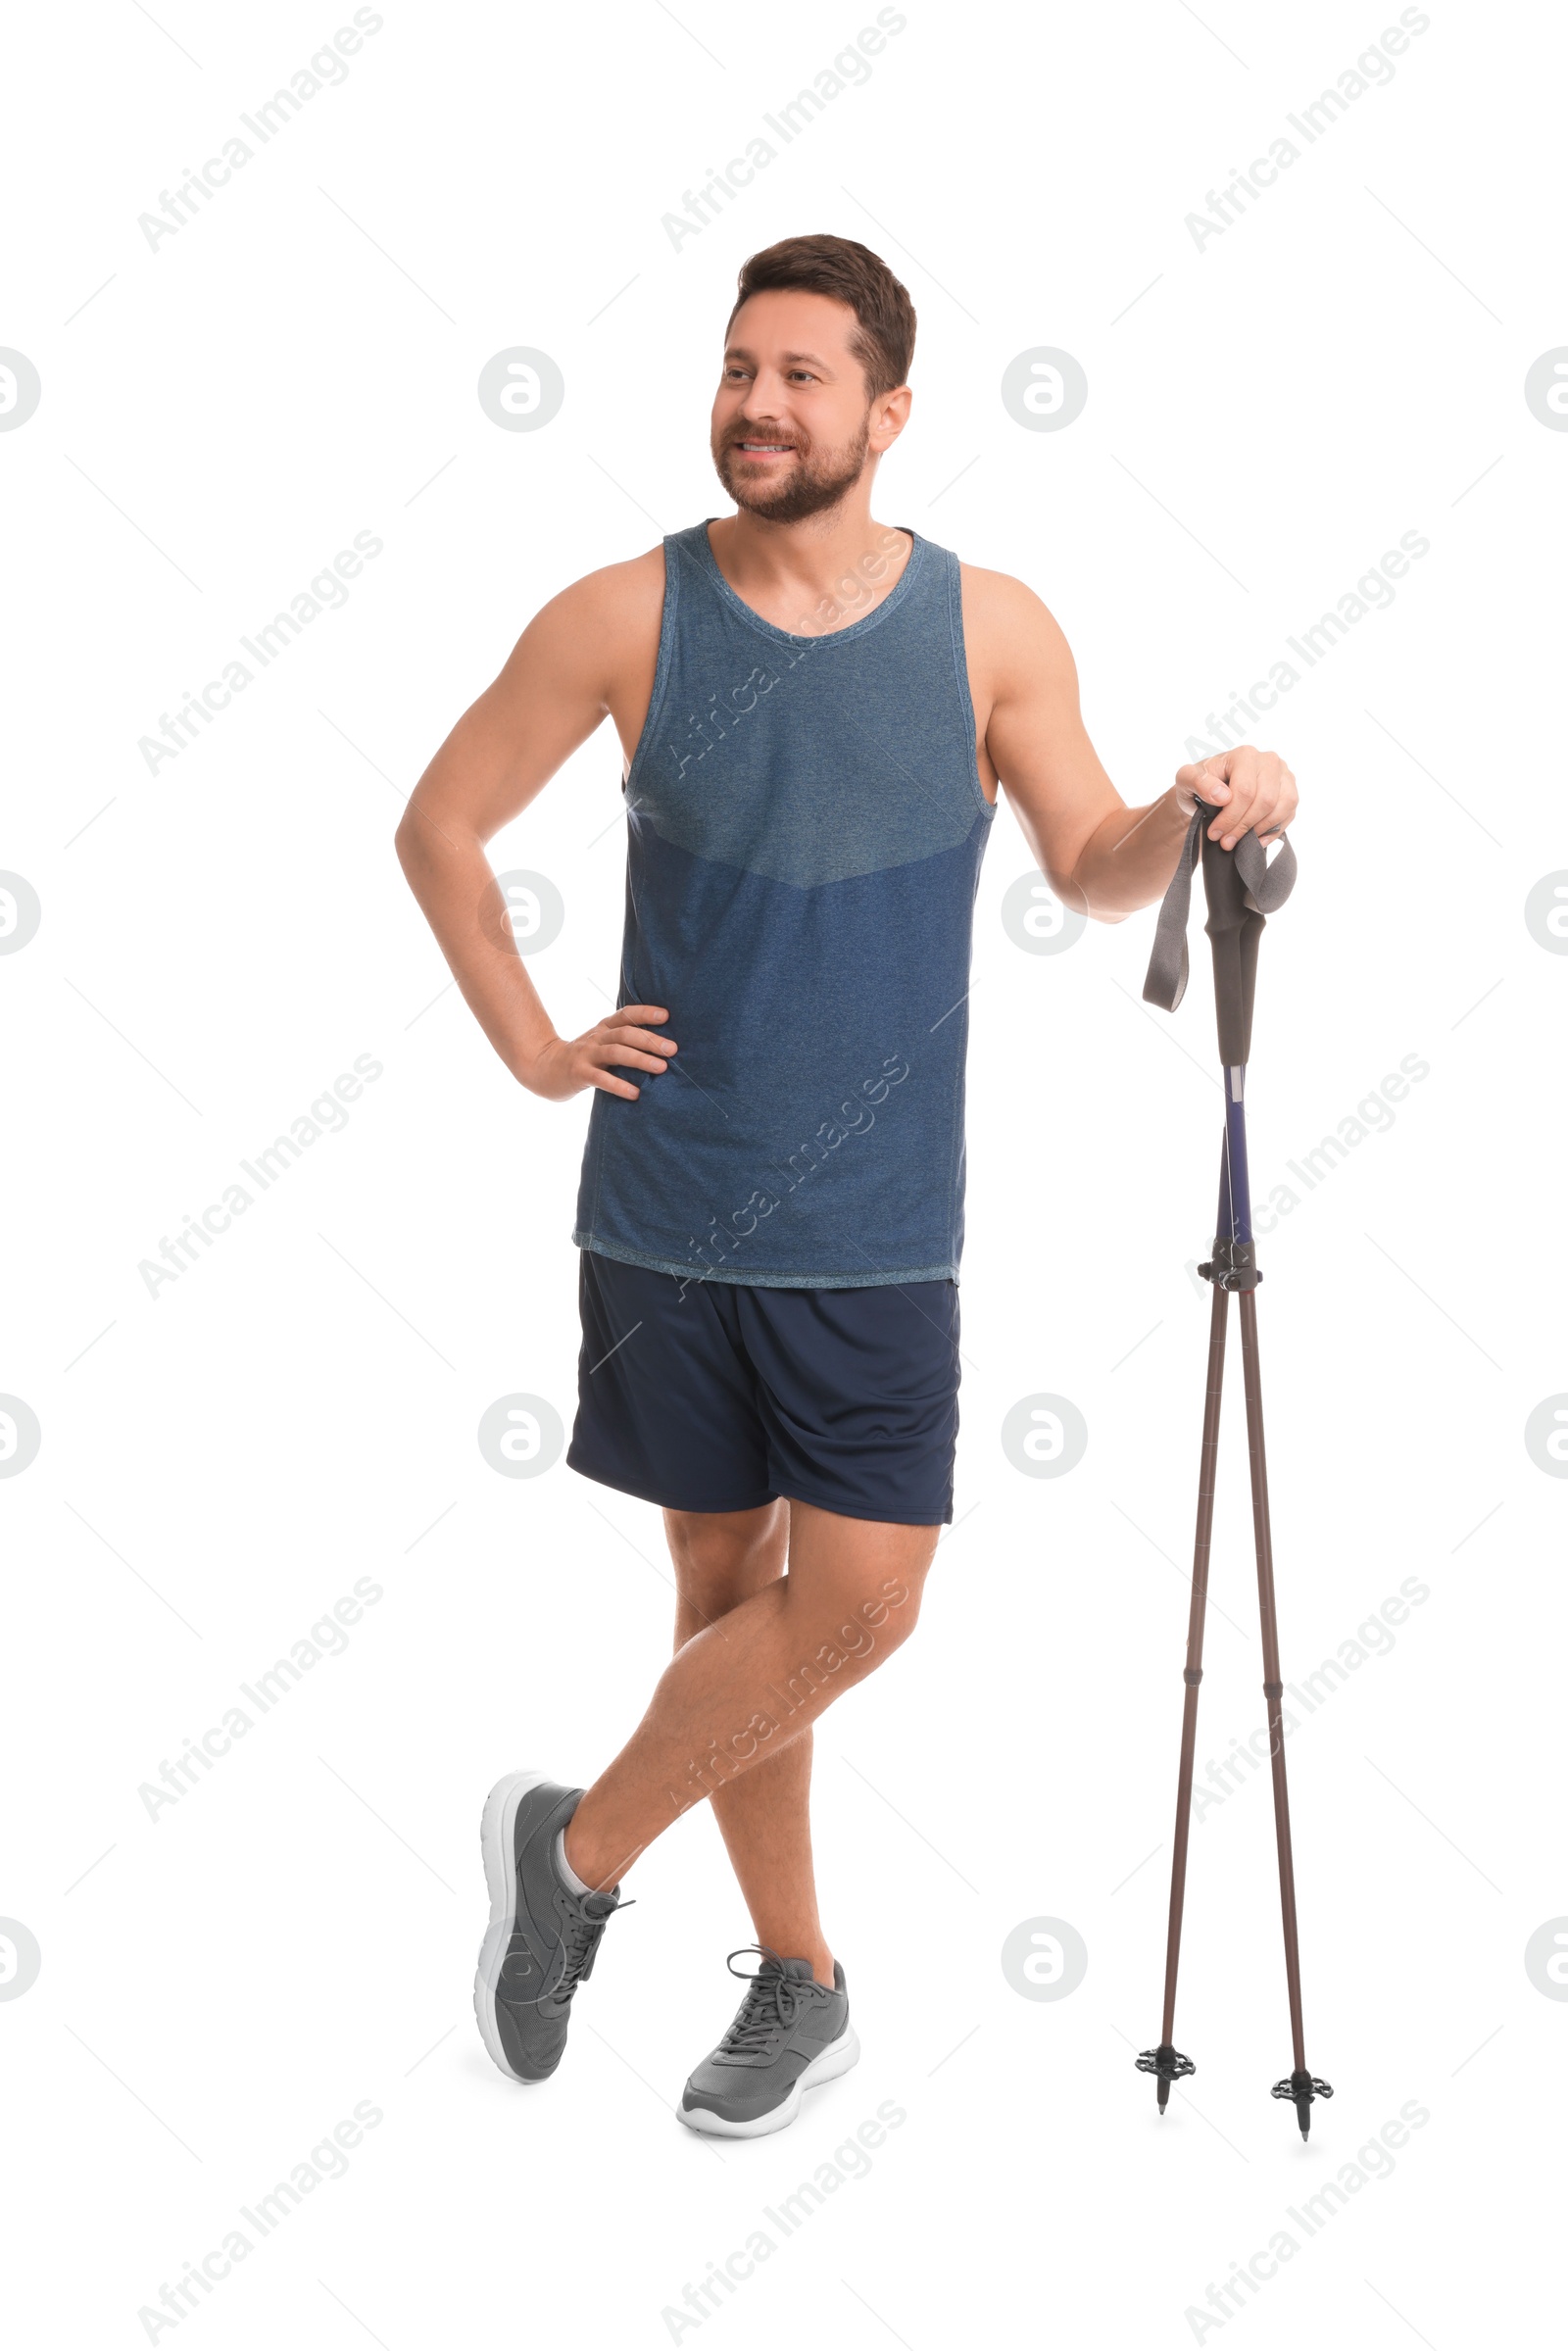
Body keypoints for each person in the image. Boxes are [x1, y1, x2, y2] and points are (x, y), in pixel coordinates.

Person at [395, 233, 1298, 2137]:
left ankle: (576, 1855)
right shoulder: (621, 616)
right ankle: (798, 1987)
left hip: (878, 1226)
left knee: (860, 1608)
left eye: (801, 376)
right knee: (728, 1603)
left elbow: (1096, 867)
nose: (756, 405)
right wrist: (535, 1045)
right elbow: (442, 825)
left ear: (887, 414)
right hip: (663, 1207)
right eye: (737, 369)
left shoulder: (989, 630)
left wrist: (1203, 797)